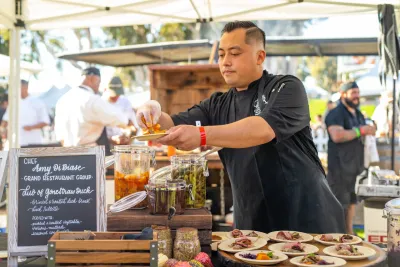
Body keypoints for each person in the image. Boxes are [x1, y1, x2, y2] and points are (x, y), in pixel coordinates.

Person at [136, 21, 345, 233]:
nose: (225, 62)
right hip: (253, 223)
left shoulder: (286, 87)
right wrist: (152, 111)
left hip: (306, 217)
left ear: (260, 56)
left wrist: (201, 134)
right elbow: (171, 124)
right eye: (221, 54)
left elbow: (262, 129)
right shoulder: (217, 105)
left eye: (235, 54)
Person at [325, 81, 376, 234]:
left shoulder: (358, 113)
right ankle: (335, 237)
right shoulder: (335, 113)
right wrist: (361, 131)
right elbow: (337, 135)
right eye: (353, 93)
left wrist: (372, 128)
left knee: (352, 203)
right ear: (343, 94)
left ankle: (349, 233)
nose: (356, 96)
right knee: (339, 205)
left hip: (355, 168)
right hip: (339, 169)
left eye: (357, 93)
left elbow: (367, 129)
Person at [55, 67, 131, 155]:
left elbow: (59, 135)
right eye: (98, 82)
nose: (98, 86)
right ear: (92, 78)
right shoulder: (92, 99)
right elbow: (119, 118)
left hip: (67, 155)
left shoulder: (62, 101)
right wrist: (128, 124)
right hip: (89, 154)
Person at [2, 80, 50, 147]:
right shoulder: (13, 103)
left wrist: (31, 127)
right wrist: (3, 130)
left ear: (26, 87)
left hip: (33, 143)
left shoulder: (37, 102)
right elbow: (5, 121)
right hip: (14, 144)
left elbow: (45, 121)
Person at [103, 76, 139, 146]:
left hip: (123, 146)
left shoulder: (125, 102)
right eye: (113, 95)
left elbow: (133, 127)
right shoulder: (100, 104)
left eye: (118, 94)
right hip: (105, 146)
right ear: (105, 90)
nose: (116, 96)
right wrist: (112, 140)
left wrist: (128, 138)